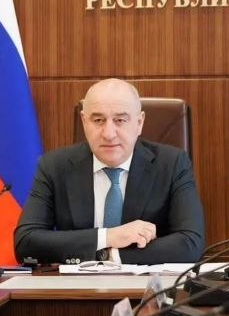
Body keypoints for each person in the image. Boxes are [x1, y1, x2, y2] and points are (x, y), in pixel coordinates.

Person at [14, 78, 205, 265]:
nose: (109, 134)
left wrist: (109, 256)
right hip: (75, 285)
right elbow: (26, 243)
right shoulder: (54, 166)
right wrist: (109, 236)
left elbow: (190, 243)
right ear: (84, 121)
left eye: (120, 120)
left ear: (139, 123)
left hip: (146, 284)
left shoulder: (172, 164)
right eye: (98, 120)